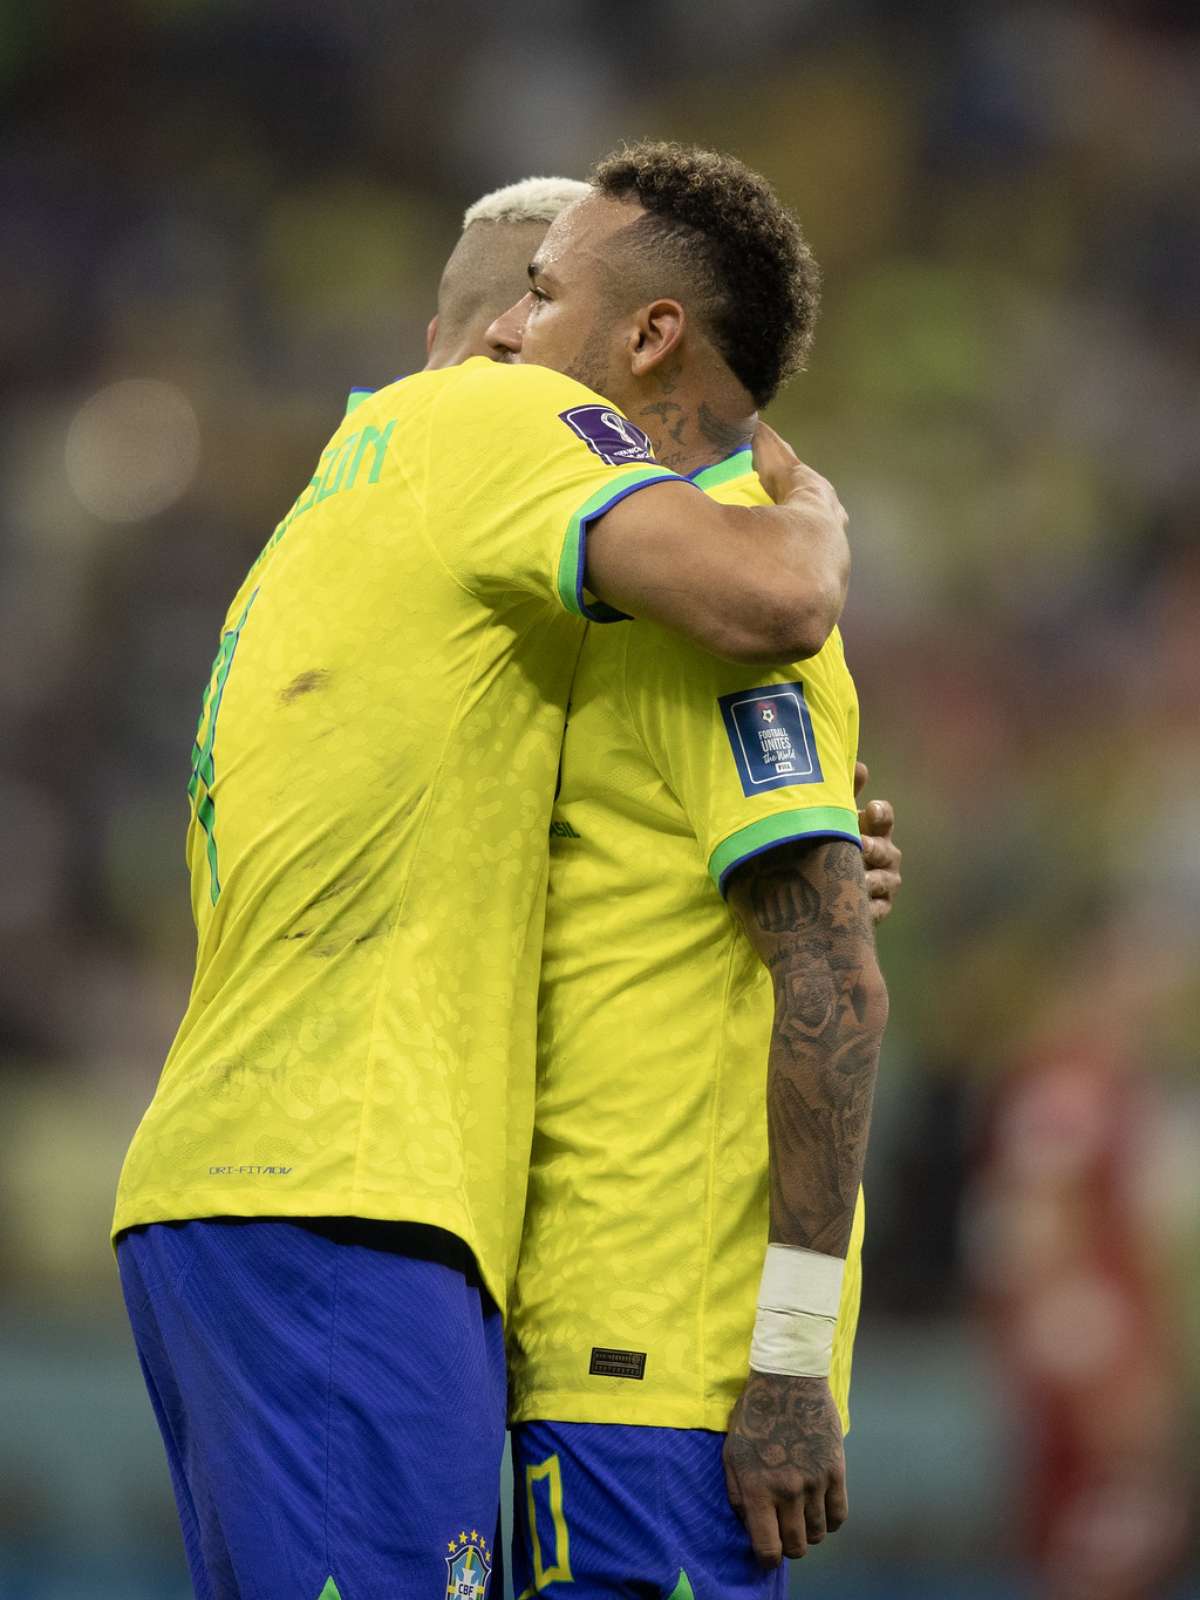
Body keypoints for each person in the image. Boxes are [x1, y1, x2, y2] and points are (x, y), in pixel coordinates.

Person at [111, 146, 856, 1600]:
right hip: (346, 1191)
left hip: (271, 1191)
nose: (525, 332)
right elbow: (780, 597)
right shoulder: (494, 422)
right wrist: (813, 500)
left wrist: (802, 829)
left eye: (546, 296)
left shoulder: (364, 512)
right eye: (521, 295)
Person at [488, 144, 892, 1598]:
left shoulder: (719, 611)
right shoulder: (633, 581)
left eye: (542, 297)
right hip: (584, 1355)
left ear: (652, 333)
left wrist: (786, 1361)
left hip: (654, 1379)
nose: (510, 334)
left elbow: (836, 982)